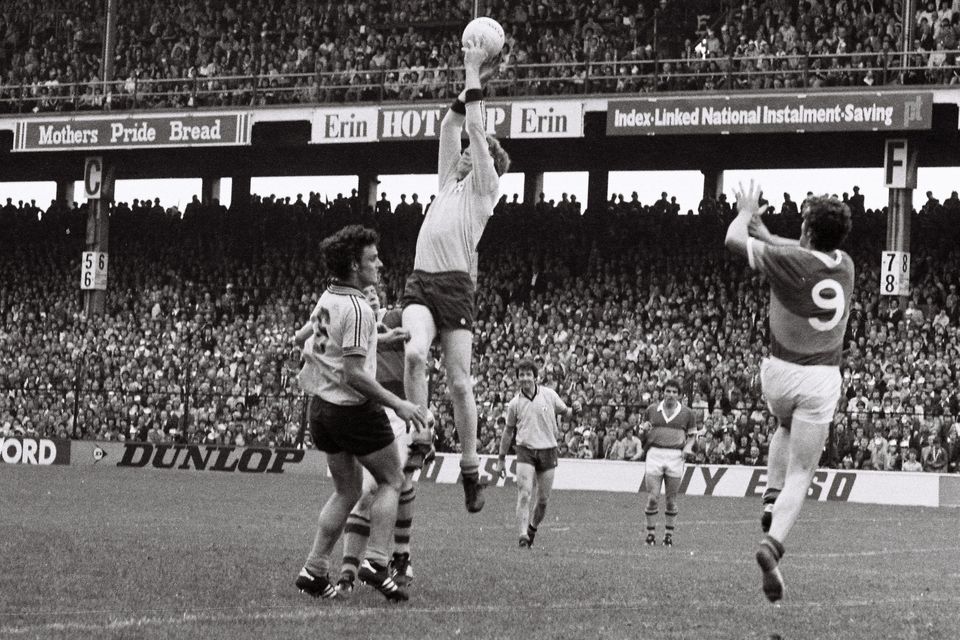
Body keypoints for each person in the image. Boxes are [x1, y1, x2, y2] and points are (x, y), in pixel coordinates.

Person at [726, 181, 854, 603]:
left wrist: (746, 214)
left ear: (808, 231)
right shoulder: (845, 265)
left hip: (778, 374)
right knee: (804, 472)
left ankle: (770, 496)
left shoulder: (789, 261)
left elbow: (732, 238)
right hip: (820, 379)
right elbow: (800, 251)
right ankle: (773, 544)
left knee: (782, 424)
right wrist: (768, 235)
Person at [401, 38, 510, 513]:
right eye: (463, 151)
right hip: (422, 281)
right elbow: (452, 123)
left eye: (471, 150)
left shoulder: (484, 189)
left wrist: (472, 69)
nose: (463, 151)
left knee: (461, 385)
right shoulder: (449, 181)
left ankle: (470, 469)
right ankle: (421, 432)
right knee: (413, 355)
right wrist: (473, 85)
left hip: (455, 288)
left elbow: (477, 133)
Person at [293, 225, 427, 602]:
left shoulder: (329, 297)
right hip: (351, 410)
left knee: (347, 489)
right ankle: (377, 561)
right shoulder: (358, 308)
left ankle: (315, 569)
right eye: (372, 258)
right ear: (355, 264)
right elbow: (354, 373)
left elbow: (338, 346)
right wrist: (398, 403)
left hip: (321, 409)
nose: (379, 264)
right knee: (392, 479)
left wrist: (384, 339)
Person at [336, 285, 434, 596]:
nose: (371, 294)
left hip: (399, 413)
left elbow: (418, 350)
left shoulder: (396, 318)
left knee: (401, 483)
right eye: (364, 292)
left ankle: (398, 559)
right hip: (365, 412)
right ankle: (350, 570)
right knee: (366, 491)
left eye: (374, 291)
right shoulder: (352, 326)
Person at [493, 359, 578, 547]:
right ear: (517, 379)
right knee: (524, 494)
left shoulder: (549, 395)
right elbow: (508, 432)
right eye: (521, 375)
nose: (524, 378)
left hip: (548, 449)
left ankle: (532, 528)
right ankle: (522, 535)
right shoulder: (515, 404)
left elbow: (566, 412)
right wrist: (501, 459)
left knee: (543, 501)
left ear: (535, 377)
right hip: (525, 450)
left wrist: (576, 410)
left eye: (528, 374)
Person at [638, 379, 697, 547]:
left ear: (679, 395)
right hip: (655, 454)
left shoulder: (687, 413)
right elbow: (642, 433)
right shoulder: (651, 410)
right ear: (662, 393)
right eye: (668, 391)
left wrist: (688, 447)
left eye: (674, 392)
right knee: (652, 498)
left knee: (671, 500)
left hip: (675, 456)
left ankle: (668, 536)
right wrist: (644, 430)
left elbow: (692, 436)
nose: (671, 395)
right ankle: (650, 535)